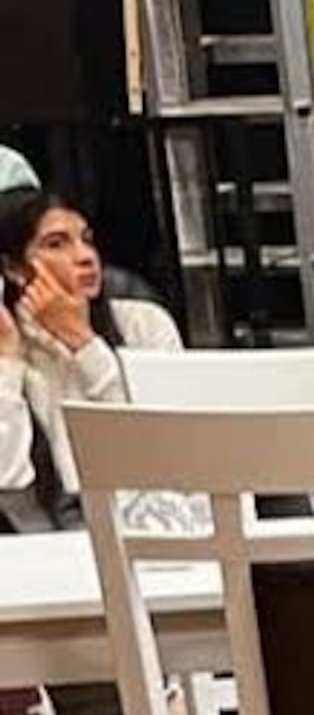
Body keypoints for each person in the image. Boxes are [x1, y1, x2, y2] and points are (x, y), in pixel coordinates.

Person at [0, 186, 184, 524]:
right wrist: (7, 364)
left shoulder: (145, 325)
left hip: (149, 516)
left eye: (86, 239)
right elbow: (6, 479)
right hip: (44, 539)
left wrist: (84, 344)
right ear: (13, 269)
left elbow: (164, 449)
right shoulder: (10, 351)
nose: (85, 256)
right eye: (56, 244)